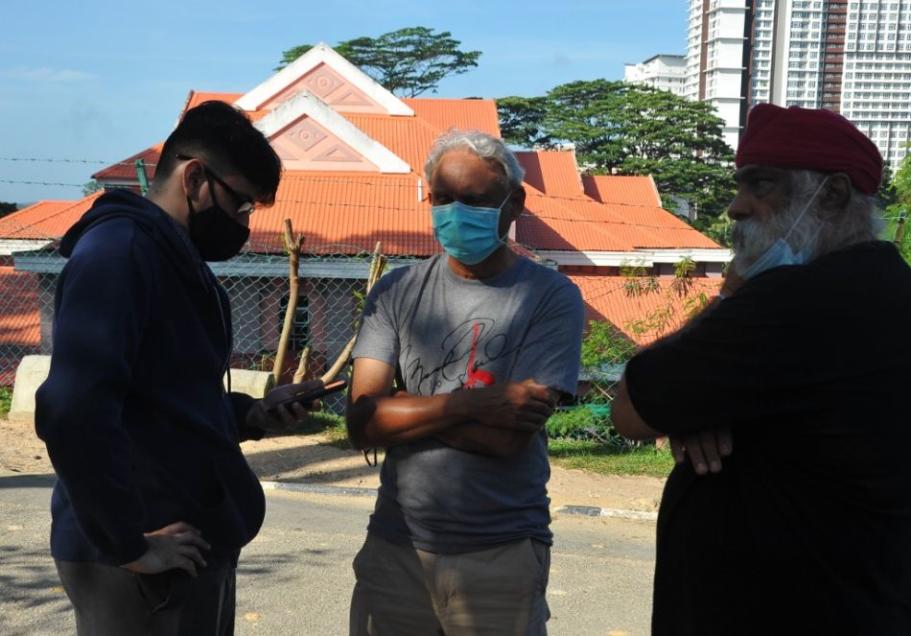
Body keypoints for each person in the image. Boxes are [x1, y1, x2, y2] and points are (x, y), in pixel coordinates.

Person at [611, 104, 911, 635]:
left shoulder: (799, 299)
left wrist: (730, 293)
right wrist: (694, 407)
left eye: (761, 185)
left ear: (834, 194)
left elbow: (631, 409)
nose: (735, 207)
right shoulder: (887, 286)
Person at [35, 100, 326, 635]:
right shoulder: (119, 253)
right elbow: (72, 408)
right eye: (240, 204)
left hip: (185, 545)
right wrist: (128, 544)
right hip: (142, 558)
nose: (242, 223)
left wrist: (251, 414)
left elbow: (162, 396)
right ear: (194, 177)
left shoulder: (172, 256)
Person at [346, 130, 584, 635]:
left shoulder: (550, 297)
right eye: (443, 198)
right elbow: (362, 422)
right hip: (396, 545)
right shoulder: (397, 292)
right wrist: (470, 406)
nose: (455, 214)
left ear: (513, 204)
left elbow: (506, 439)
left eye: (474, 201)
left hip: (499, 551)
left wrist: (404, 408)